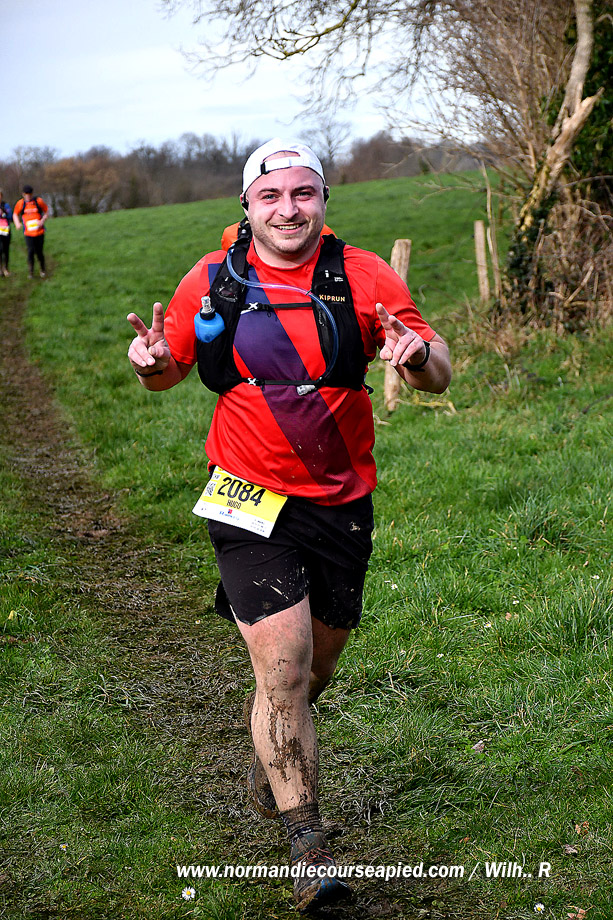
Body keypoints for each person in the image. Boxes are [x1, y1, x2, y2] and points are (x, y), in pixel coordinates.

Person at [127, 138, 451, 912]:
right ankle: (310, 850)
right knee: (282, 667)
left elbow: (436, 371)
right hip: (244, 492)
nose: (288, 209)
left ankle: (271, 759)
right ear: (246, 205)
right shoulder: (212, 278)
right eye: (270, 195)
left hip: (338, 497)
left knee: (315, 671)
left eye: (303, 193)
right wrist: (148, 363)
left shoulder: (363, 274)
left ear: (323, 201)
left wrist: (416, 355)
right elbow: (168, 372)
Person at [13, 185, 49, 278]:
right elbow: (15, 214)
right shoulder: (21, 203)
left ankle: (42, 269)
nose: (28, 196)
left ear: (32, 194)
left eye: (29, 194)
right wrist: (17, 223)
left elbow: (46, 211)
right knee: (30, 252)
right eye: (26, 195)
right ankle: (31, 271)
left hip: (39, 232)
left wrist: (42, 220)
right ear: (23, 194)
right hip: (28, 233)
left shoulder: (38, 201)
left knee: (39, 252)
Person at [0, 190, 12, 276]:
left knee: (5, 250)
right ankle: (0, 269)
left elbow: (10, 216)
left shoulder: (6, 205)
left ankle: (6, 268)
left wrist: (3, 213)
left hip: (5, 230)